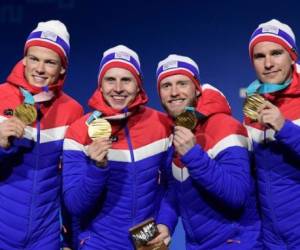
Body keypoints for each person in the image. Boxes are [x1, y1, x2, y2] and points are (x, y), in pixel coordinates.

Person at [62, 45, 172, 249]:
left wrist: (166, 224)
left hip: (146, 243)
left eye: (126, 80)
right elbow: (75, 206)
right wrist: (97, 168)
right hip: (98, 244)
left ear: (138, 85)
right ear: (100, 85)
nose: (118, 88)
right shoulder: (79, 131)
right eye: (110, 79)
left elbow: (172, 188)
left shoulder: (161, 124)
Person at [151, 54, 261, 249]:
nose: (174, 92)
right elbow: (173, 193)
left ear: (197, 88)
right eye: (166, 86)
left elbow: (237, 196)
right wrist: (164, 224)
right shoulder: (174, 136)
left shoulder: (225, 126)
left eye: (182, 83)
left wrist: (193, 155)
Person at [0, 20, 83, 249]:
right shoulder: (0, 97)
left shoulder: (72, 111)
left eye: (50, 62)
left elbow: (71, 182)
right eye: (34, 58)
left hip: (44, 236)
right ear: (24, 59)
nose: (39, 68)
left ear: (62, 68)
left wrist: (71, 241)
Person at [244, 19, 300, 249]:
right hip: (271, 240)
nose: (268, 63)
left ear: (292, 55)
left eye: (276, 53)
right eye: (259, 56)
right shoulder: (253, 104)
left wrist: (284, 127)